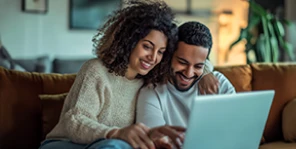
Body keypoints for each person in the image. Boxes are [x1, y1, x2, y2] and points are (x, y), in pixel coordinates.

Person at [39, 1, 179, 149]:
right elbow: (75, 121)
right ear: (129, 41)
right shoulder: (96, 70)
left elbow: (190, 61)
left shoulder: (149, 83)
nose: (153, 57)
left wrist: (206, 74)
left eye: (161, 52)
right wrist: (115, 133)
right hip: (65, 143)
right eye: (147, 47)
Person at [136, 21, 236, 149]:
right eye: (182, 62)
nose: (189, 73)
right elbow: (156, 143)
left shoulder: (219, 83)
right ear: (170, 55)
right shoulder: (152, 92)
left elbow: (236, 131)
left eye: (198, 66)